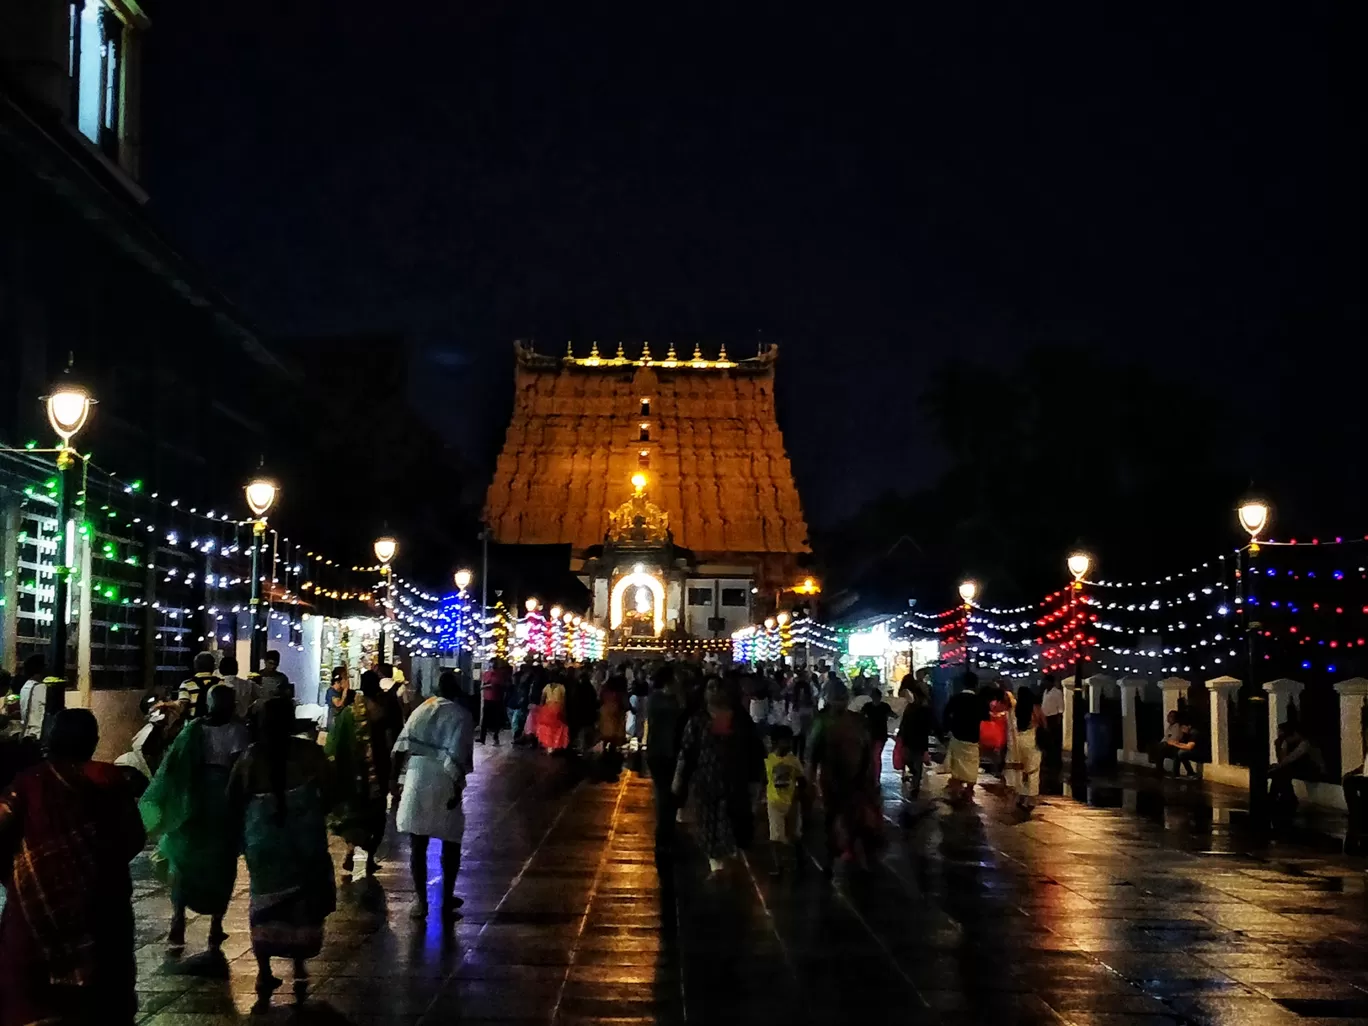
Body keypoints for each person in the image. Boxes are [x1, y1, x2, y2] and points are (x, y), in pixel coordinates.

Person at [0, 709, 145, 1026]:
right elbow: (133, 839)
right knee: (102, 1002)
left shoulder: (27, 784)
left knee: (32, 1003)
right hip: (101, 914)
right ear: (93, 742)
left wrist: (17, 877)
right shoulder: (111, 783)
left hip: (34, 919)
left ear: (49, 740)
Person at [228, 698, 335, 1010]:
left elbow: (233, 799)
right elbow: (331, 790)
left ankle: (264, 972)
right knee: (303, 905)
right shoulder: (309, 753)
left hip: (264, 845)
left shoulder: (249, 758)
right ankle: (299, 967)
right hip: (305, 844)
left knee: (264, 904)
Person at [140, 684, 249, 952]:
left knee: (183, 861)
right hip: (221, 804)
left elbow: (173, 765)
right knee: (220, 866)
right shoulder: (237, 731)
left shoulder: (193, 730)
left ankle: (178, 919)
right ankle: (215, 925)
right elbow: (239, 770)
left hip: (191, 803)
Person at [392, 670, 475, 924]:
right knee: (451, 841)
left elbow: (400, 746)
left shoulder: (422, 709)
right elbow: (460, 755)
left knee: (418, 842)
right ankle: (446, 896)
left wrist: (393, 781)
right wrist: (457, 790)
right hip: (444, 778)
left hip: (417, 775)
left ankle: (421, 900)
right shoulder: (461, 716)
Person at [673, 678, 764, 872]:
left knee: (730, 825)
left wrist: (756, 781)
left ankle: (726, 864)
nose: (714, 691)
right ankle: (716, 865)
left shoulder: (740, 720)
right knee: (707, 825)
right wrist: (679, 779)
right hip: (705, 782)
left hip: (734, 782)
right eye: (710, 687)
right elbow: (687, 752)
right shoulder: (698, 720)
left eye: (718, 687)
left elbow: (754, 750)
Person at [326, 670, 395, 876]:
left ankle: (350, 850)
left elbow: (335, 742)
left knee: (354, 814)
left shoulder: (349, 712)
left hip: (352, 773)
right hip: (377, 771)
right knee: (376, 814)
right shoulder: (382, 711)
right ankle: (370, 858)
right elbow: (390, 741)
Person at [808, 680, 880, 872]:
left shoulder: (857, 721)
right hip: (832, 778)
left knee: (853, 816)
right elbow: (812, 755)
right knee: (832, 817)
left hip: (856, 778)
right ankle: (833, 855)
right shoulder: (822, 721)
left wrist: (870, 777)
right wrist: (810, 782)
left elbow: (867, 750)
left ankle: (849, 851)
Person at [645, 665, 683, 853]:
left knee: (670, 794)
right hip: (661, 753)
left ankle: (667, 831)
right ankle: (664, 834)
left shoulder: (662, 700)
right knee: (664, 794)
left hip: (668, 752)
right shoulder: (660, 700)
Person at [764, 725, 805, 875]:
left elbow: (802, 780)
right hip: (774, 803)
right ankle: (778, 866)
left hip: (792, 803)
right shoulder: (768, 760)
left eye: (788, 741)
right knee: (775, 837)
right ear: (775, 742)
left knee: (794, 835)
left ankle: (800, 861)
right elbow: (765, 779)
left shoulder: (793, 760)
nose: (787, 744)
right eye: (784, 741)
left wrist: (798, 799)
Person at [943, 675, 984, 804]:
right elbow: (985, 718)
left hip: (957, 735)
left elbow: (946, 714)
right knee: (972, 763)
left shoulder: (956, 698)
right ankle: (969, 789)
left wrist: (948, 729)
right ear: (976, 685)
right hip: (973, 737)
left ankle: (956, 788)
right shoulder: (979, 700)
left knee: (957, 764)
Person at [1004, 685, 1046, 811]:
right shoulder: (1035, 708)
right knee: (1033, 769)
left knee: (1022, 770)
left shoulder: (1016, 709)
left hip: (1019, 741)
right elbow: (1043, 722)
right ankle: (1031, 797)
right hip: (1032, 740)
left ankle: (1021, 795)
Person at [1270, 719, 1322, 819]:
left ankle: (1283, 797)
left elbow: (1291, 758)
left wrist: (1277, 767)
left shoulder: (1305, 744)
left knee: (1282, 771)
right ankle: (1279, 796)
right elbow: (1283, 760)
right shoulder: (1291, 744)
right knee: (1281, 771)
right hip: (1301, 768)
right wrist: (1279, 746)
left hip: (1313, 770)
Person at [894, 683, 935, 799]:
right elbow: (930, 725)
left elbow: (904, 723)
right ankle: (915, 784)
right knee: (917, 763)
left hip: (910, 738)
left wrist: (900, 735)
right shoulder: (924, 709)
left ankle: (914, 783)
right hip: (919, 739)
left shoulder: (911, 708)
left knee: (911, 760)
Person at [861, 688, 896, 784]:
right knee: (875, 756)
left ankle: (874, 777)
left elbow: (860, 716)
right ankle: (875, 778)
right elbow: (894, 715)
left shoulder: (867, 707)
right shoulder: (884, 707)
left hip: (873, 735)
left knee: (873, 756)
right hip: (878, 735)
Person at [16, 653, 51, 742]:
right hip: (37, 737)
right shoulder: (41, 688)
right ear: (42, 669)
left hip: (27, 735)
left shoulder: (26, 686)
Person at [535, 671, 571, 752]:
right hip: (557, 709)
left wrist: (541, 708)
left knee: (548, 728)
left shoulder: (547, 687)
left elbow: (542, 699)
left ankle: (549, 745)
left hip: (548, 709)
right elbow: (564, 700)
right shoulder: (561, 687)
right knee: (557, 728)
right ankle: (554, 745)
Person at [1154, 710, 1198, 777]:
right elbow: (1166, 738)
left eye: (1171, 716)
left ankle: (1162, 770)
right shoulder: (1170, 727)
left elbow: (1175, 740)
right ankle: (1160, 769)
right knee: (1159, 748)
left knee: (1178, 753)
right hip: (1176, 746)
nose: (1168, 718)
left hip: (1178, 747)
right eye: (1168, 716)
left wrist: (1171, 743)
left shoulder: (1178, 726)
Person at [178, 651, 220, 719]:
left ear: (195, 666)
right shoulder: (221, 684)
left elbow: (182, 708)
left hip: (194, 725)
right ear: (213, 666)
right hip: (218, 725)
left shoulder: (186, 685)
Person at [478, 661, 508, 745]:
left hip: (496, 699)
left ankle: (495, 737)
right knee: (485, 719)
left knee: (496, 719)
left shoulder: (500, 675)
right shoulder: (487, 674)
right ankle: (482, 737)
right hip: (488, 698)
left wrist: (486, 686)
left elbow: (495, 685)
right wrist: (488, 685)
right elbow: (486, 684)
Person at [598, 673, 628, 752]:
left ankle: (605, 753)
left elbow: (599, 700)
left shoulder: (604, 691)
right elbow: (625, 704)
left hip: (605, 713)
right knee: (614, 740)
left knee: (606, 737)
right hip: (616, 715)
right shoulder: (619, 693)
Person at [1039, 676, 1065, 768]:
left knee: (1054, 741)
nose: (1045, 684)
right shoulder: (1045, 692)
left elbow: (1061, 707)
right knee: (1047, 741)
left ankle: (1055, 761)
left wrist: (1058, 719)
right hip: (1046, 718)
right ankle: (1048, 760)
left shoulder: (1057, 692)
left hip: (1053, 718)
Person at [220, 654, 254, 723]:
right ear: (237, 669)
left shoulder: (217, 685)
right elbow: (263, 696)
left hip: (223, 724)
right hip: (243, 723)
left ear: (220, 670)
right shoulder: (248, 684)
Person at [325, 666, 353, 733]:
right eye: (345, 677)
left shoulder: (345, 692)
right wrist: (345, 690)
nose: (347, 679)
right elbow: (338, 704)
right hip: (334, 723)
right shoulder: (331, 692)